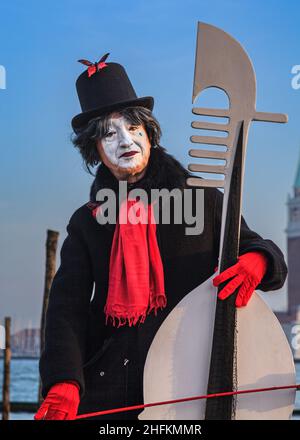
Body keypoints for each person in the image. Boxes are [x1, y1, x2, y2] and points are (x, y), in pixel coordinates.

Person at [34, 55, 287, 420]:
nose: (125, 140)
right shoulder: (87, 223)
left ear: (149, 133)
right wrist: (63, 382)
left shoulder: (204, 201)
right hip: (111, 398)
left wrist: (258, 261)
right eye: (109, 132)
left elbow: (260, 249)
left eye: (134, 128)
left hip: (190, 385)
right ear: (95, 151)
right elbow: (66, 310)